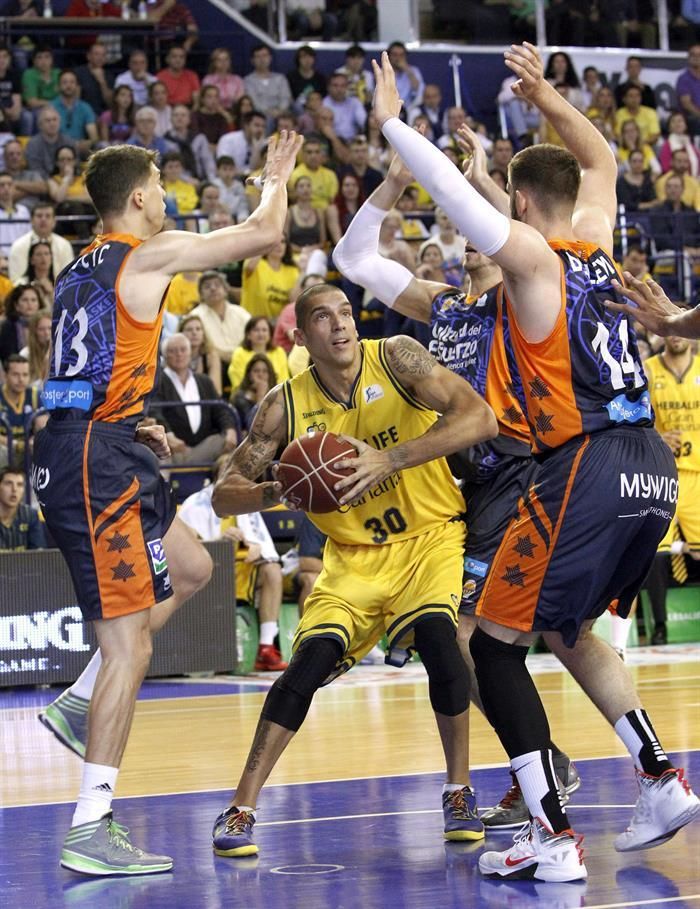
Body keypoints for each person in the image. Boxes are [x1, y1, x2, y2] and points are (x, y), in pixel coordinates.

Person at [370, 45, 699, 881]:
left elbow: (449, 191)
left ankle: (551, 835)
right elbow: (605, 155)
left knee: (494, 647)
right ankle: (660, 777)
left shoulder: (532, 260)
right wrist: (549, 96)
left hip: (580, 463)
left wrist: (392, 125)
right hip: (649, 465)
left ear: (518, 203)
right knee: (568, 629)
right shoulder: (595, 236)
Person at [31, 132, 303, 876]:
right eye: (160, 181)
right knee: (131, 645)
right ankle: (91, 824)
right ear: (141, 197)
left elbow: (73, 370)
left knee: (191, 566)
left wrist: (120, 419)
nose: (168, 194)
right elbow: (265, 234)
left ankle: (80, 697)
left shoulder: (74, 272)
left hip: (82, 442)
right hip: (95, 459)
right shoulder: (142, 252)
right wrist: (275, 179)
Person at [334, 148, 580, 830]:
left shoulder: (521, 297)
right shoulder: (440, 304)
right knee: (452, 645)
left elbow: (526, 234)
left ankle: (546, 776)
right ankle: (546, 761)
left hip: (516, 480)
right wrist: (390, 183)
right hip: (455, 496)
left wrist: (478, 182)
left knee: (468, 638)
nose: (470, 235)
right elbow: (354, 259)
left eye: (486, 228)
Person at [209, 280, 498, 857]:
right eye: (323, 316)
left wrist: (387, 459)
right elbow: (223, 495)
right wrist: (279, 489)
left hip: (430, 538)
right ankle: (241, 807)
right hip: (353, 559)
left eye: (346, 312)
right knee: (306, 666)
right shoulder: (283, 404)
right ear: (301, 335)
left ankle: (459, 790)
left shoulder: (395, 357)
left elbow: (481, 418)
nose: (341, 324)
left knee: (442, 645)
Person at [178, 464, 288, 672]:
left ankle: (266, 648)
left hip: (240, 570)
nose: (237, 480)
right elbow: (184, 552)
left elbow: (264, 546)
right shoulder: (194, 504)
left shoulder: (246, 502)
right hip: (210, 571)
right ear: (218, 477)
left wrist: (255, 547)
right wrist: (218, 543)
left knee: (272, 570)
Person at [152, 333, 237, 465]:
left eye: (183, 349)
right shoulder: (157, 381)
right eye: (172, 351)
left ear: (190, 352)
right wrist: (168, 434)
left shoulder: (204, 381)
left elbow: (221, 410)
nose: (179, 354)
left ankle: (218, 485)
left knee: (228, 444)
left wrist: (229, 429)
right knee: (159, 452)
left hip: (204, 447)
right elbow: (154, 410)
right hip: (171, 449)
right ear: (165, 356)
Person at [8, 203, 74, 283]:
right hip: (27, 292)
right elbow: (15, 280)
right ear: (31, 220)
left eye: (48, 216)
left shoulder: (64, 246)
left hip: (58, 293)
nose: (43, 219)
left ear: (54, 222)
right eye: (39, 216)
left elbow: (69, 278)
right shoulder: (18, 246)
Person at [240, 239, 300, 321]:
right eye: (275, 242)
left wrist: (303, 270)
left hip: (275, 325)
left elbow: (293, 301)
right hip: (250, 322)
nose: (279, 246)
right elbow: (249, 267)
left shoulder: (292, 270)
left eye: (283, 242)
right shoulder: (256, 264)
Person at [228, 315, 290, 392]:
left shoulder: (279, 352)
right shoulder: (239, 353)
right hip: (246, 397)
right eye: (256, 330)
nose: (260, 334)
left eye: (264, 330)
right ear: (248, 335)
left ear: (270, 334)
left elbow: (284, 380)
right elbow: (241, 383)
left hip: (276, 396)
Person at [0, 353, 41, 468]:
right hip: (5, 448)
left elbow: (43, 426)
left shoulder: (34, 395)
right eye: (15, 375)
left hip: (29, 449)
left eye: (25, 375)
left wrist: (37, 437)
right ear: (5, 375)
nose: (21, 379)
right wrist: (16, 444)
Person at [25, 106, 78, 181]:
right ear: (40, 125)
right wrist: (52, 182)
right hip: (43, 183)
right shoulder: (33, 144)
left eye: (54, 120)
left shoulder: (69, 142)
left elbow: (75, 164)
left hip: (66, 181)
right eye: (48, 120)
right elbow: (35, 169)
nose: (52, 123)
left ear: (59, 122)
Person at [243, 45, 292, 125]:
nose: (262, 60)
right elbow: (254, 102)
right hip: (260, 114)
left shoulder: (280, 78)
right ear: (252, 60)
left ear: (270, 58)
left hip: (281, 113)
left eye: (265, 56)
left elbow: (285, 98)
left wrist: (280, 111)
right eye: (258, 56)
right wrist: (269, 112)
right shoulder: (248, 80)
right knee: (267, 120)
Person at [0, 465, 46, 550]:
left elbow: (39, 554)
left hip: (25, 564)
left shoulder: (30, 515)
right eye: (8, 484)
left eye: (19, 485)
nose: (14, 489)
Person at [0, 171, 30, 258]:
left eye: (9, 185)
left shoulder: (24, 211)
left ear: (14, 188)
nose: (6, 188)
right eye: (2, 185)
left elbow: (28, 237)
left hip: (21, 257)